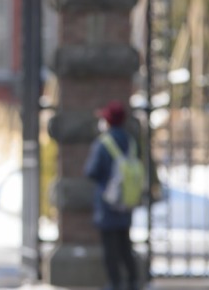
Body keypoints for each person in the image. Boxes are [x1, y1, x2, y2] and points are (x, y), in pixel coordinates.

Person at [84, 101, 139, 290]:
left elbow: (91, 170)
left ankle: (114, 283)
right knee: (125, 245)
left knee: (110, 248)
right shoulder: (130, 141)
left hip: (107, 201)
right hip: (126, 200)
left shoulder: (104, 143)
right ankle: (133, 280)